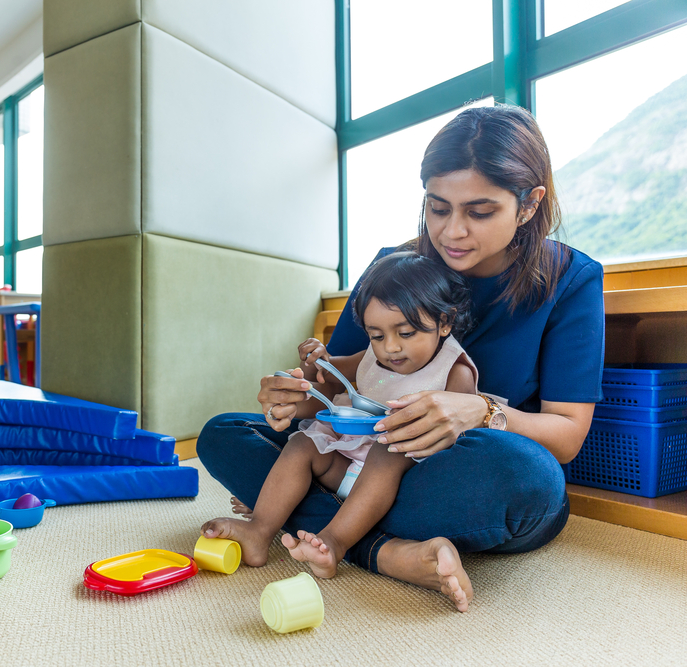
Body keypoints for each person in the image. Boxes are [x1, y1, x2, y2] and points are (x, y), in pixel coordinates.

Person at [196, 105, 605, 613]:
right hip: (354, 452)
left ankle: (319, 525)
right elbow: (342, 387)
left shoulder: (571, 279)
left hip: (456, 471)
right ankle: (383, 551)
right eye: (438, 208)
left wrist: (480, 411)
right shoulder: (394, 267)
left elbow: (566, 437)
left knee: (530, 479)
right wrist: (294, 397)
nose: (452, 232)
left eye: (479, 212)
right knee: (223, 433)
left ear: (528, 205)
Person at [202, 253, 479, 603]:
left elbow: (465, 446)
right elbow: (330, 378)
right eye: (377, 335)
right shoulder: (373, 357)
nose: (390, 347)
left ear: (444, 322)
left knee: (388, 450)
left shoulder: (454, 371)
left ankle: (335, 540)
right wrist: (317, 361)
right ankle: (260, 530)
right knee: (303, 444)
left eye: (406, 333)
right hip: (345, 468)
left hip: (399, 480)